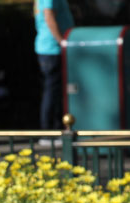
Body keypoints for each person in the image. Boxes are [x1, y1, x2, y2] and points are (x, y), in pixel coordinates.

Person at [34, 0, 73, 130]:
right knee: (52, 92)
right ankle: (49, 132)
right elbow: (49, 16)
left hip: (49, 48)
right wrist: (62, 42)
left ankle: (53, 130)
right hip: (52, 49)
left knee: (54, 91)